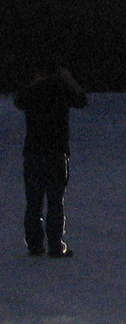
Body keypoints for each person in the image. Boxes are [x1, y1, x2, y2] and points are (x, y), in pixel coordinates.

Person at [15, 65, 87, 258]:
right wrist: (70, 80)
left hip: (34, 152)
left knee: (34, 201)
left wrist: (33, 82)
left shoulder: (33, 92)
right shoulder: (61, 89)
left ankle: (35, 244)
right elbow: (82, 100)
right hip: (56, 152)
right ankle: (55, 244)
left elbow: (18, 101)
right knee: (55, 201)